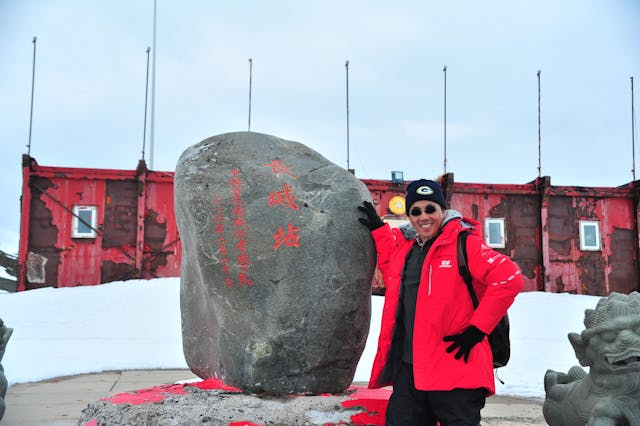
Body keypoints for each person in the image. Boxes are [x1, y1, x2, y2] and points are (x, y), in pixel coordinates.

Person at [357, 178, 523, 426]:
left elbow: (509, 278)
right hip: (411, 374)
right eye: (416, 211)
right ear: (410, 216)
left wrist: (477, 330)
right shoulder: (407, 249)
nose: (423, 217)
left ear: (443, 211)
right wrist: (378, 229)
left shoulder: (465, 244)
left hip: (456, 373)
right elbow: (390, 263)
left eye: (430, 209)